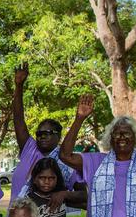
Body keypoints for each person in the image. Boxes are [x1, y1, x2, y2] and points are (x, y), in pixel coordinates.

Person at [10, 63, 86, 205]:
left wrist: (63, 194)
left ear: (58, 137)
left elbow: (83, 195)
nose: (41, 137)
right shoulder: (29, 149)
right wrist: (19, 86)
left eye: (47, 133)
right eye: (39, 133)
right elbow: (18, 119)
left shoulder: (67, 161)